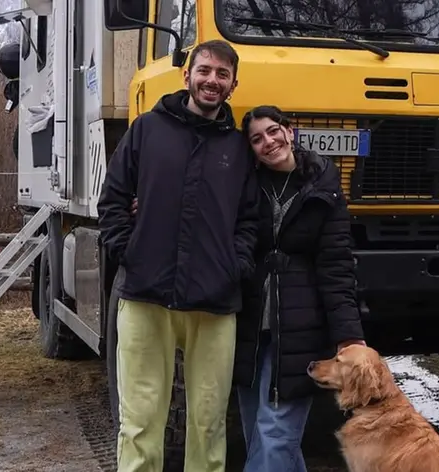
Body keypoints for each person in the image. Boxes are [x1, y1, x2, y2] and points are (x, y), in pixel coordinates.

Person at [96, 39, 259, 472]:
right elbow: (112, 201)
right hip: (146, 296)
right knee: (140, 423)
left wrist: (234, 267)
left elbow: (249, 221)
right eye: (204, 70)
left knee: (207, 428)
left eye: (222, 75)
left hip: (215, 303)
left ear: (233, 84)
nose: (212, 80)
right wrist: (131, 253)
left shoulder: (239, 148)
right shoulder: (147, 130)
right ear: (186, 75)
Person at [233, 105, 366, 472]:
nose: (268, 142)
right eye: (257, 139)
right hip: (249, 327)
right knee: (259, 434)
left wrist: (349, 336)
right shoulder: (245, 187)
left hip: (300, 328)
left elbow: (337, 267)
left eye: (273, 131)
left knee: (276, 435)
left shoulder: (323, 186)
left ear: (289, 132)